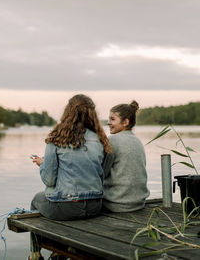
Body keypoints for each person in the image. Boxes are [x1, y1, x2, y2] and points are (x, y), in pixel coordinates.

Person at [29, 94, 111, 260]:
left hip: (68, 207)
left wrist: (43, 164)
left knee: (36, 200)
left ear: (68, 112)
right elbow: (103, 174)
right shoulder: (101, 139)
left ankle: (35, 254)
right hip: (95, 206)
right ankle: (61, 252)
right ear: (92, 114)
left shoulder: (57, 138)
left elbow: (49, 180)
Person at [103, 100, 150, 212]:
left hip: (116, 204)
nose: (108, 122)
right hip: (138, 203)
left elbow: (102, 172)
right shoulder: (137, 141)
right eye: (109, 119)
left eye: (113, 119)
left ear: (125, 122)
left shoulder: (112, 140)